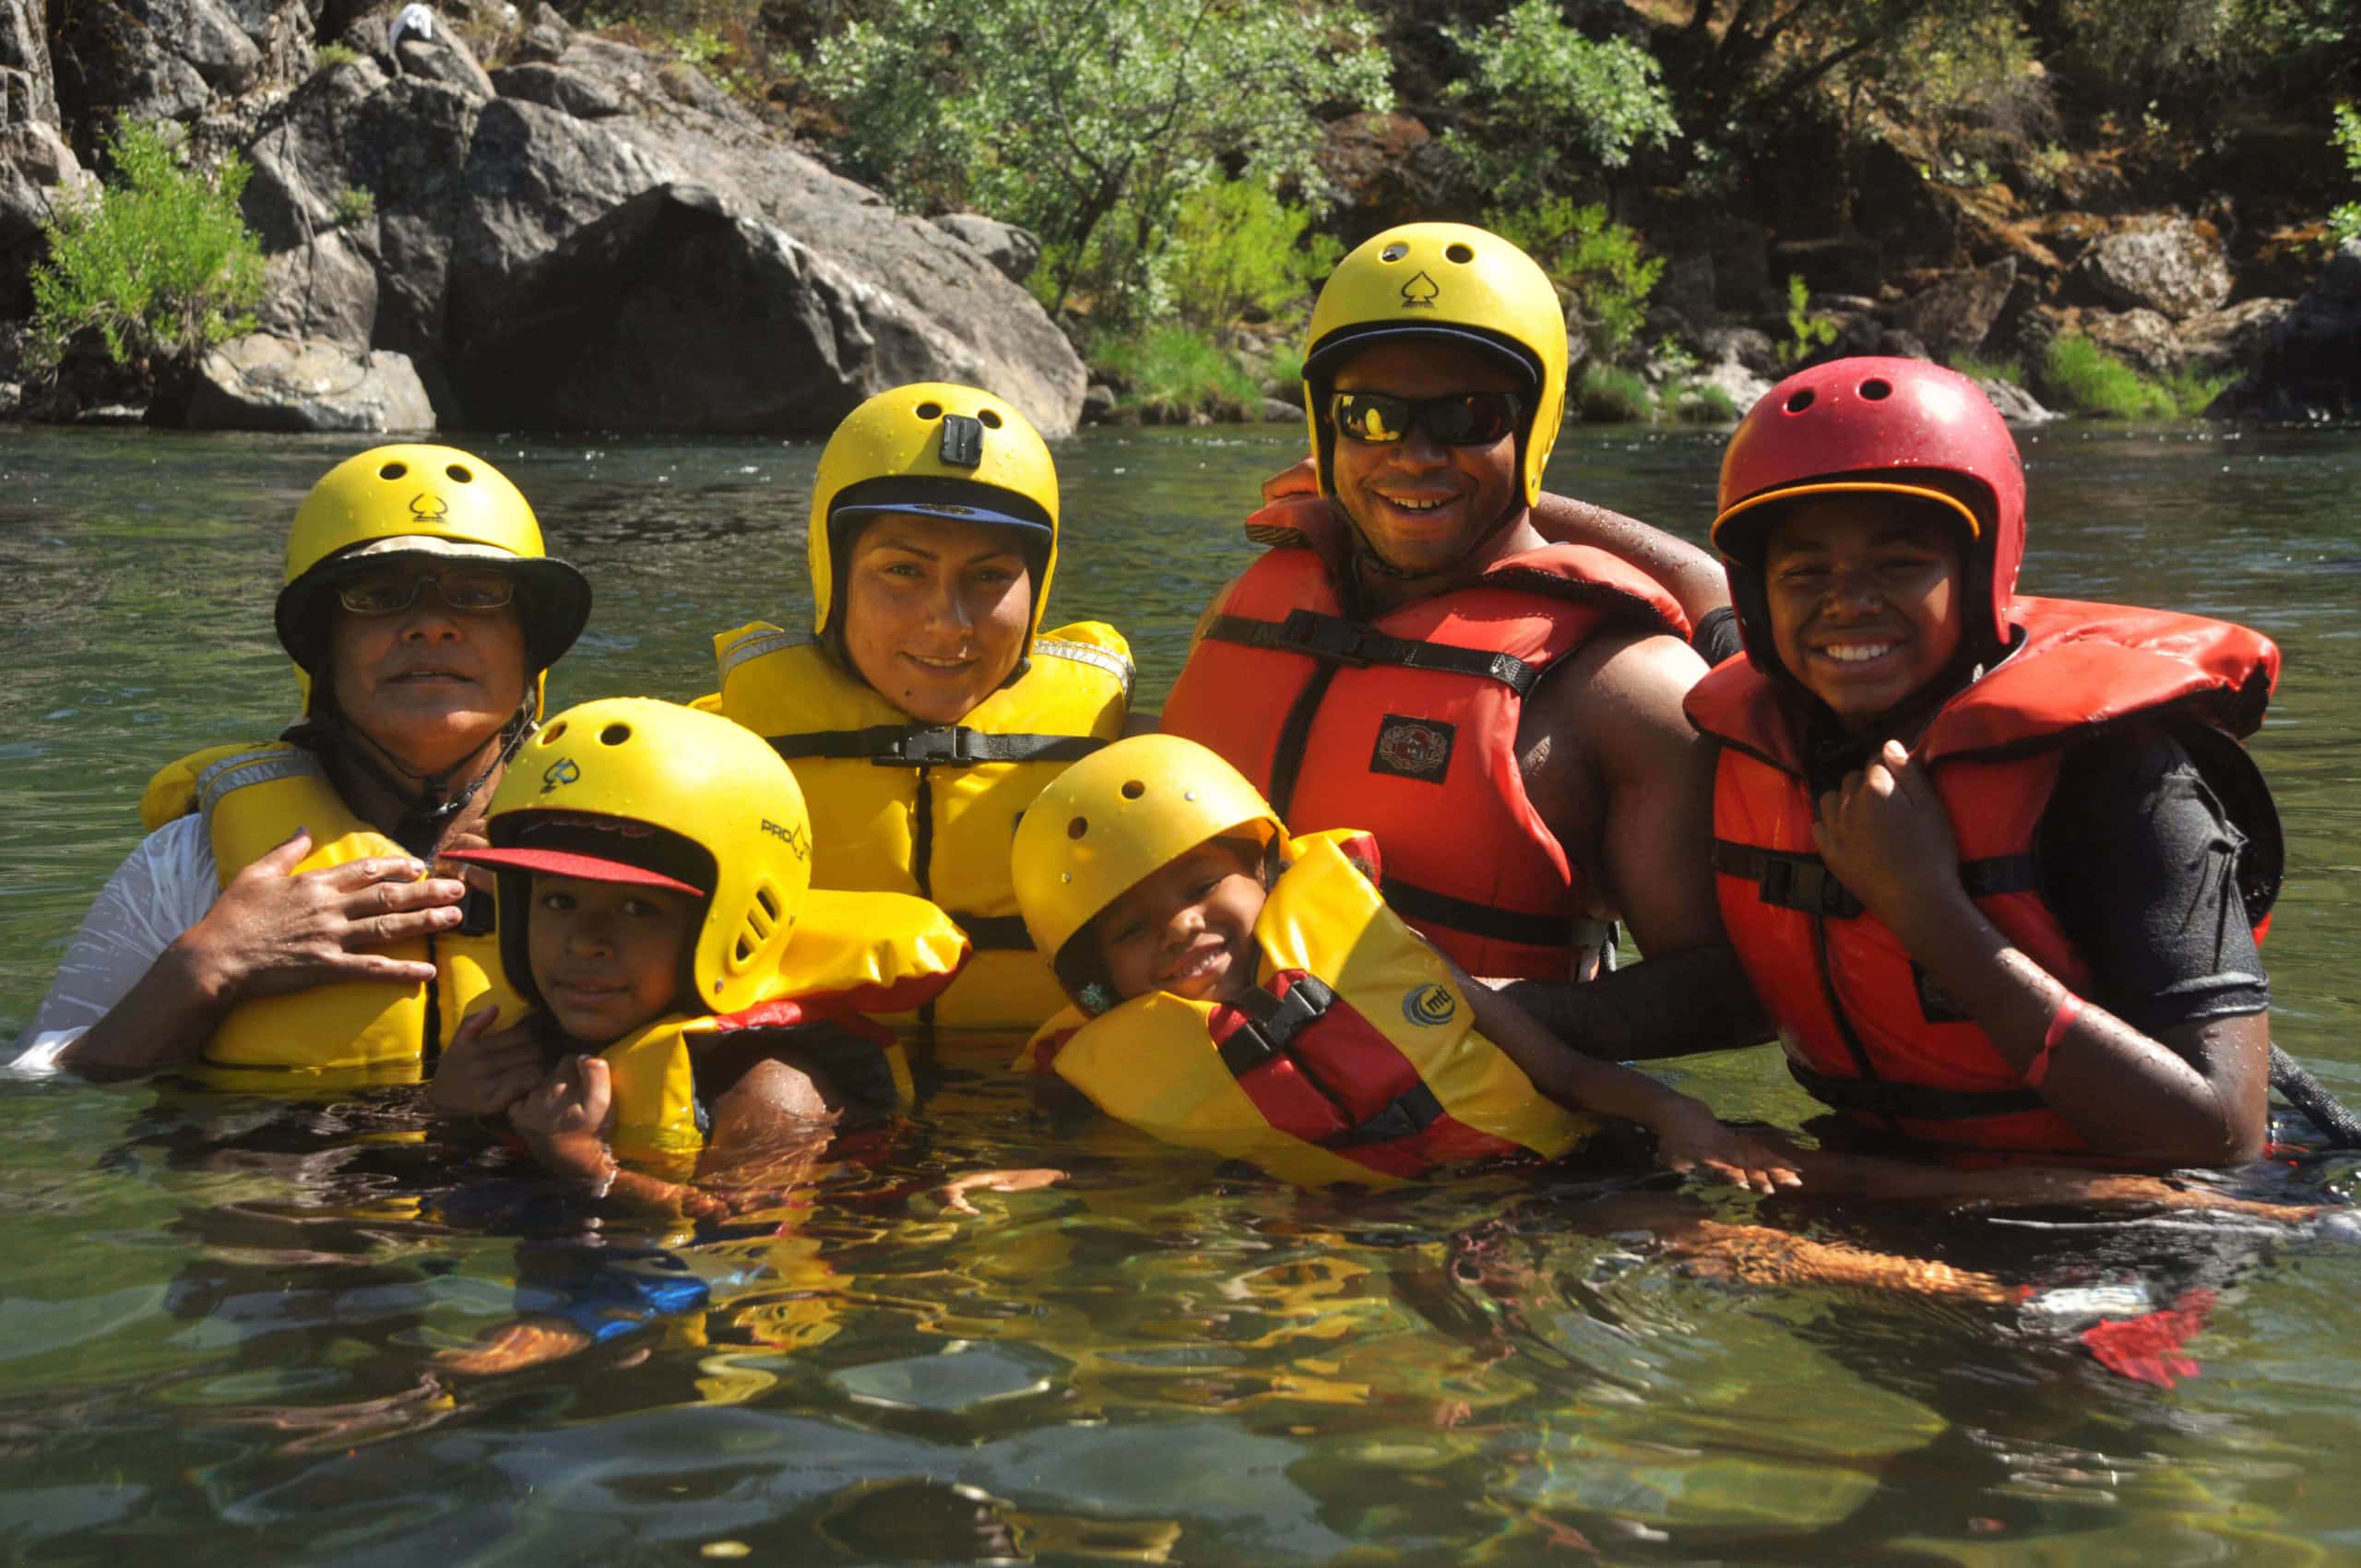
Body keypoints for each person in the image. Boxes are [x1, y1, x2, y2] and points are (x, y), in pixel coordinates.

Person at [1161, 223, 1754, 1051]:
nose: (1414, 456)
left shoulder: (1627, 687)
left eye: (1469, 417)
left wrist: (1456, 1017)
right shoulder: (1246, 607)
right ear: (1324, 427)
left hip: (1492, 1168)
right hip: (1202, 1129)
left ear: (1535, 425)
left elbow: (1737, 994)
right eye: (1370, 416)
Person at [1684, 356, 2282, 1167]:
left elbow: (2224, 1137)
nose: (1847, 600)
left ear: (1980, 573)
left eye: (1899, 564)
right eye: (1804, 571)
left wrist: (1926, 908)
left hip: (2126, 1230)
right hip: (1890, 1181)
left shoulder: (2119, 775)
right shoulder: (1775, 715)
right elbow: (1686, 584)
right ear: (1759, 597)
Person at [12, 445, 590, 1082]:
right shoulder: (192, 863)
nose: (431, 626)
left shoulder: (606, 849)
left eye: (479, 594)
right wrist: (213, 964)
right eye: (379, 594)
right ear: (322, 651)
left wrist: (569, 909)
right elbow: (44, 1085)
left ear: (529, 651)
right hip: (268, 1172)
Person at [999, 733, 1800, 1191]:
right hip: (1377, 1235)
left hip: (1559, 1175)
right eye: (1134, 929)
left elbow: (1565, 1072)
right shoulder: (1103, 1070)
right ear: (1098, 979)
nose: (1180, 925)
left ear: (1267, 872)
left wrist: (1677, 1115)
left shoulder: (1374, 948)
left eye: (1204, 883)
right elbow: (1100, 1173)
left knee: (1767, 1221)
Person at [433, 697, 967, 1373]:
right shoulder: (524, 1039)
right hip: (582, 1249)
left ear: (733, 919)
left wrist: (584, 1165)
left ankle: (517, 1356)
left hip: (718, 1327)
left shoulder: (773, 1082)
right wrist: (448, 1110)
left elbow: (740, 1239)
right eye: (557, 901)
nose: (584, 943)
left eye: (636, 908)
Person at [704, 383, 1132, 1043]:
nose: (947, 625)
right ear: (833, 574)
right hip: (817, 1101)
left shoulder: (1125, 756)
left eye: (989, 577)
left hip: (1051, 1099)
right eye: (903, 571)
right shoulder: (713, 755)